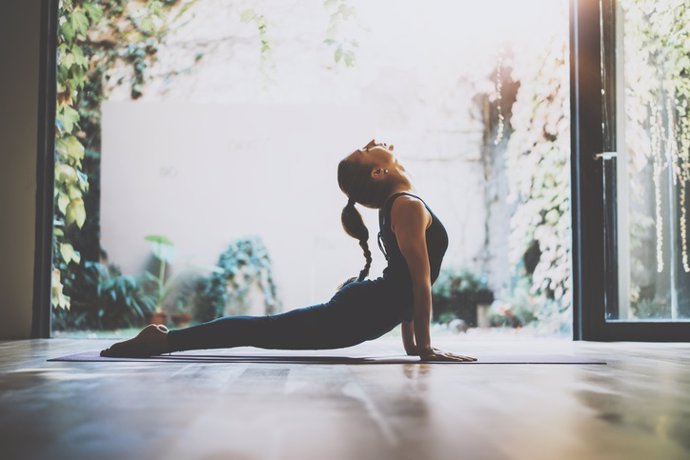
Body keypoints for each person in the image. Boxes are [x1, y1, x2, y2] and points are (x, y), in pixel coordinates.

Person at [100, 139, 476, 362]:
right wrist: (423, 347)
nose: (375, 142)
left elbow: (409, 284)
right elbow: (418, 282)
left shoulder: (400, 204)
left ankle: (164, 340)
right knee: (264, 330)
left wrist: (414, 345)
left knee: (266, 330)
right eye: (367, 148)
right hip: (360, 313)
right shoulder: (406, 206)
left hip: (365, 311)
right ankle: (163, 340)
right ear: (378, 173)